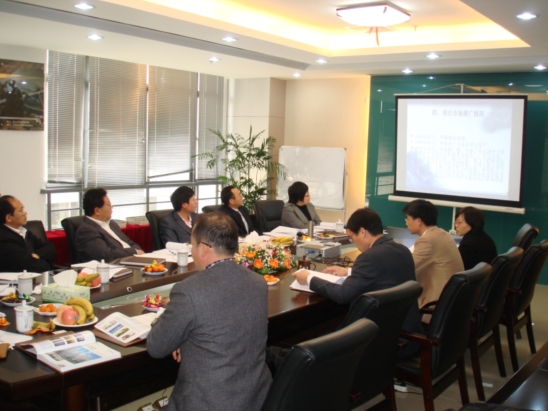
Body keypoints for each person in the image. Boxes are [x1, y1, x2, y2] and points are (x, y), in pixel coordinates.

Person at [147, 212, 271, 410]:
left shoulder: (189, 291)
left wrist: (167, 320)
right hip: (256, 399)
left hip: (206, 403)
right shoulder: (258, 282)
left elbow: (156, 346)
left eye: (192, 245)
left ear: (203, 248)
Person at [291, 207, 423, 359]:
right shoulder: (402, 250)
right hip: (405, 333)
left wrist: (309, 279)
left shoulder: (369, 257)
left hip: (381, 341)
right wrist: (348, 271)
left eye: (352, 237)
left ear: (362, 232)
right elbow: (385, 273)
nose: (353, 242)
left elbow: (342, 295)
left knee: (311, 339)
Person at [403, 199, 464, 308]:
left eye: (408, 218)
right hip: (453, 302)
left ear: (419, 221)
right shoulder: (443, 234)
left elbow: (407, 270)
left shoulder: (427, 240)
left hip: (435, 304)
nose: (406, 222)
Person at [75, 188, 144, 261]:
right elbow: (105, 255)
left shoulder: (112, 224)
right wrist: (135, 252)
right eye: (109, 205)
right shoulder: (86, 230)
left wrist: (139, 252)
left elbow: (130, 243)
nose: (112, 207)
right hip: (115, 264)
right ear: (97, 211)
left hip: (132, 260)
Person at [0, 195, 56, 272]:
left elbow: (50, 248)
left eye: (23, 209)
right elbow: (33, 267)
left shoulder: (23, 231)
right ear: (9, 218)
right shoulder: (5, 239)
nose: (25, 213)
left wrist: (37, 254)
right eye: (20, 211)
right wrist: (48, 263)